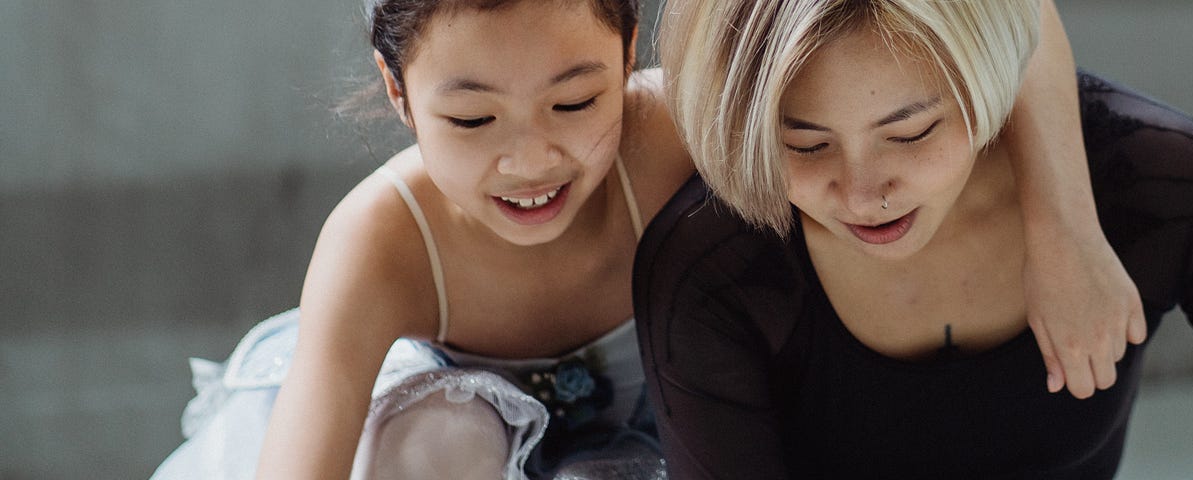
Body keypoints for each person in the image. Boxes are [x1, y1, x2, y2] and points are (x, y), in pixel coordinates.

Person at [152, 0, 1140, 478]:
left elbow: (1013, 17)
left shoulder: (678, 131)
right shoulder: (379, 238)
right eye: (472, 120)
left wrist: (1067, 230)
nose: (530, 159)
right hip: (439, 451)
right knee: (442, 443)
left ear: (632, 55)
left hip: (672, 439)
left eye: (576, 99)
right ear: (398, 95)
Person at [635, 0, 1193, 478]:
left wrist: (1067, 224)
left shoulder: (1166, 190)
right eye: (804, 146)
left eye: (911, 133)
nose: (863, 191)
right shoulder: (712, 270)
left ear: (987, 81)